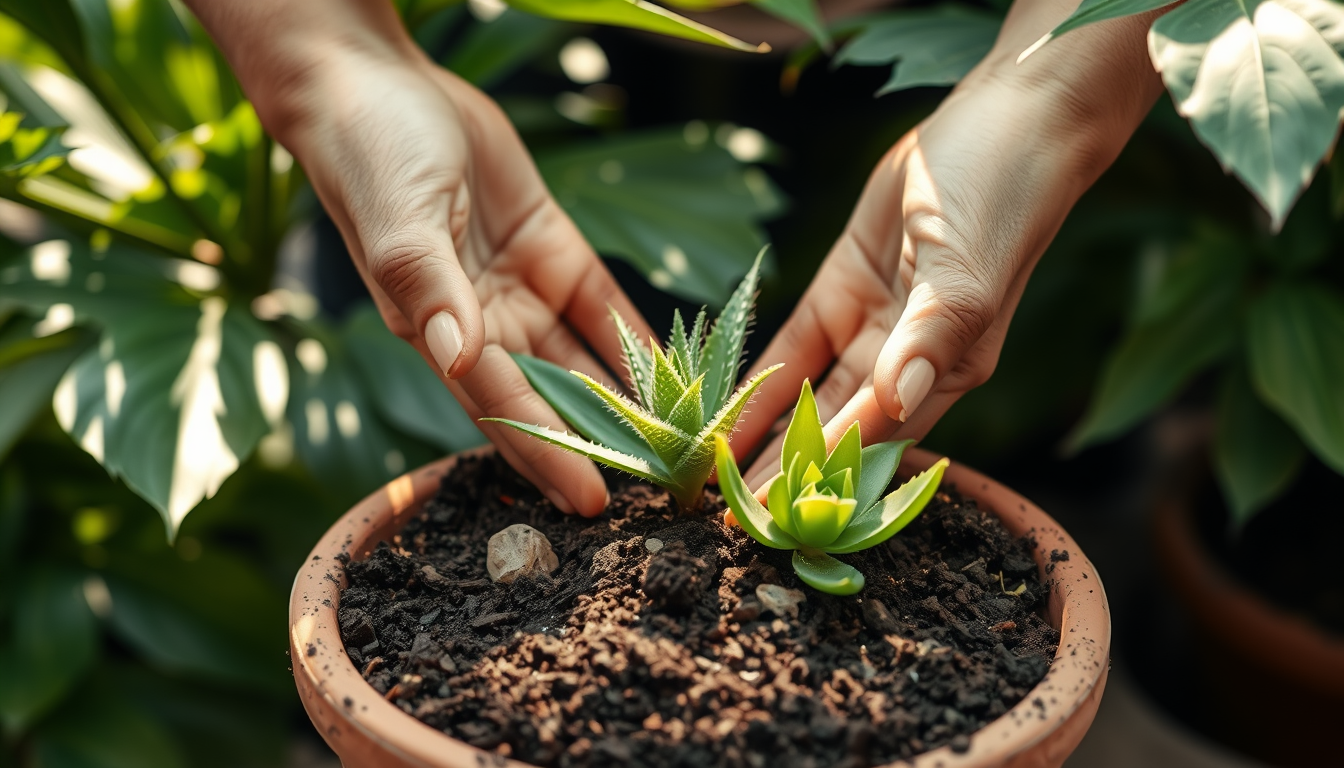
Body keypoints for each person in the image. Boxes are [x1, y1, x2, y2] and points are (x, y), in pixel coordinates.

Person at [186, 0, 1163, 513]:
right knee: (473, 414)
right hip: (538, 32)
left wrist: (1056, 92)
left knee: (1019, 437)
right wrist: (325, 52)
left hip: (954, 39)